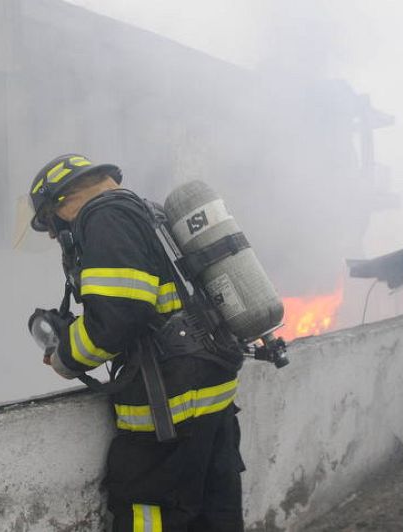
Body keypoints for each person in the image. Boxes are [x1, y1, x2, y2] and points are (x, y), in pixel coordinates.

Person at [26, 154, 246, 532]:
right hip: (213, 394)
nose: (51, 234)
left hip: (170, 410)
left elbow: (118, 320)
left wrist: (64, 355)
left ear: (62, 200)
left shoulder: (104, 218)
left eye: (48, 221)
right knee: (215, 510)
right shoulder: (149, 213)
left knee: (148, 510)